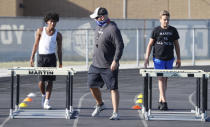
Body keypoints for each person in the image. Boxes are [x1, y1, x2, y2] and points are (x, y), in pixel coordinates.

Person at [88, 7, 124, 120]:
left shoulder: (113, 28)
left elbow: (120, 45)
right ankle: (100, 104)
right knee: (91, 85)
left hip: (109, 66)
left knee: (113, 88)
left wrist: (115, 61)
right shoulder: (99, 26)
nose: (95, 20)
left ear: (102, 17)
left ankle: (115, 113)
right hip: (95, 64)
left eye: (96, 17)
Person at [144, 10, 181, 110]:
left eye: (168, 20)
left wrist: (179, 58)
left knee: (165, 79)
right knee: (160, 78)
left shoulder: (173, 30)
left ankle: (160, 99)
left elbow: (177, 45)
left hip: (169, 59)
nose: (166, 22)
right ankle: (164, 101)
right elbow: (150, 45)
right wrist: (146, 58)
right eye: (164, 20)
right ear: (160, 20)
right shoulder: (156, 30)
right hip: (158, 59)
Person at [30, 12, 62, 110]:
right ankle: (43, 95)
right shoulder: (40, 31)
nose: (53, 23)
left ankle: (47, 101)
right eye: (51, 21)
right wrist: (31, 58)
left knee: (50, 81)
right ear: (47, 22)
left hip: (51, 58)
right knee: (41, 81)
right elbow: (35, 45)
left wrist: (60, 62)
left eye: (54, 22)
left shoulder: (58, 34)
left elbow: (59, 49)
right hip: (41, 58)